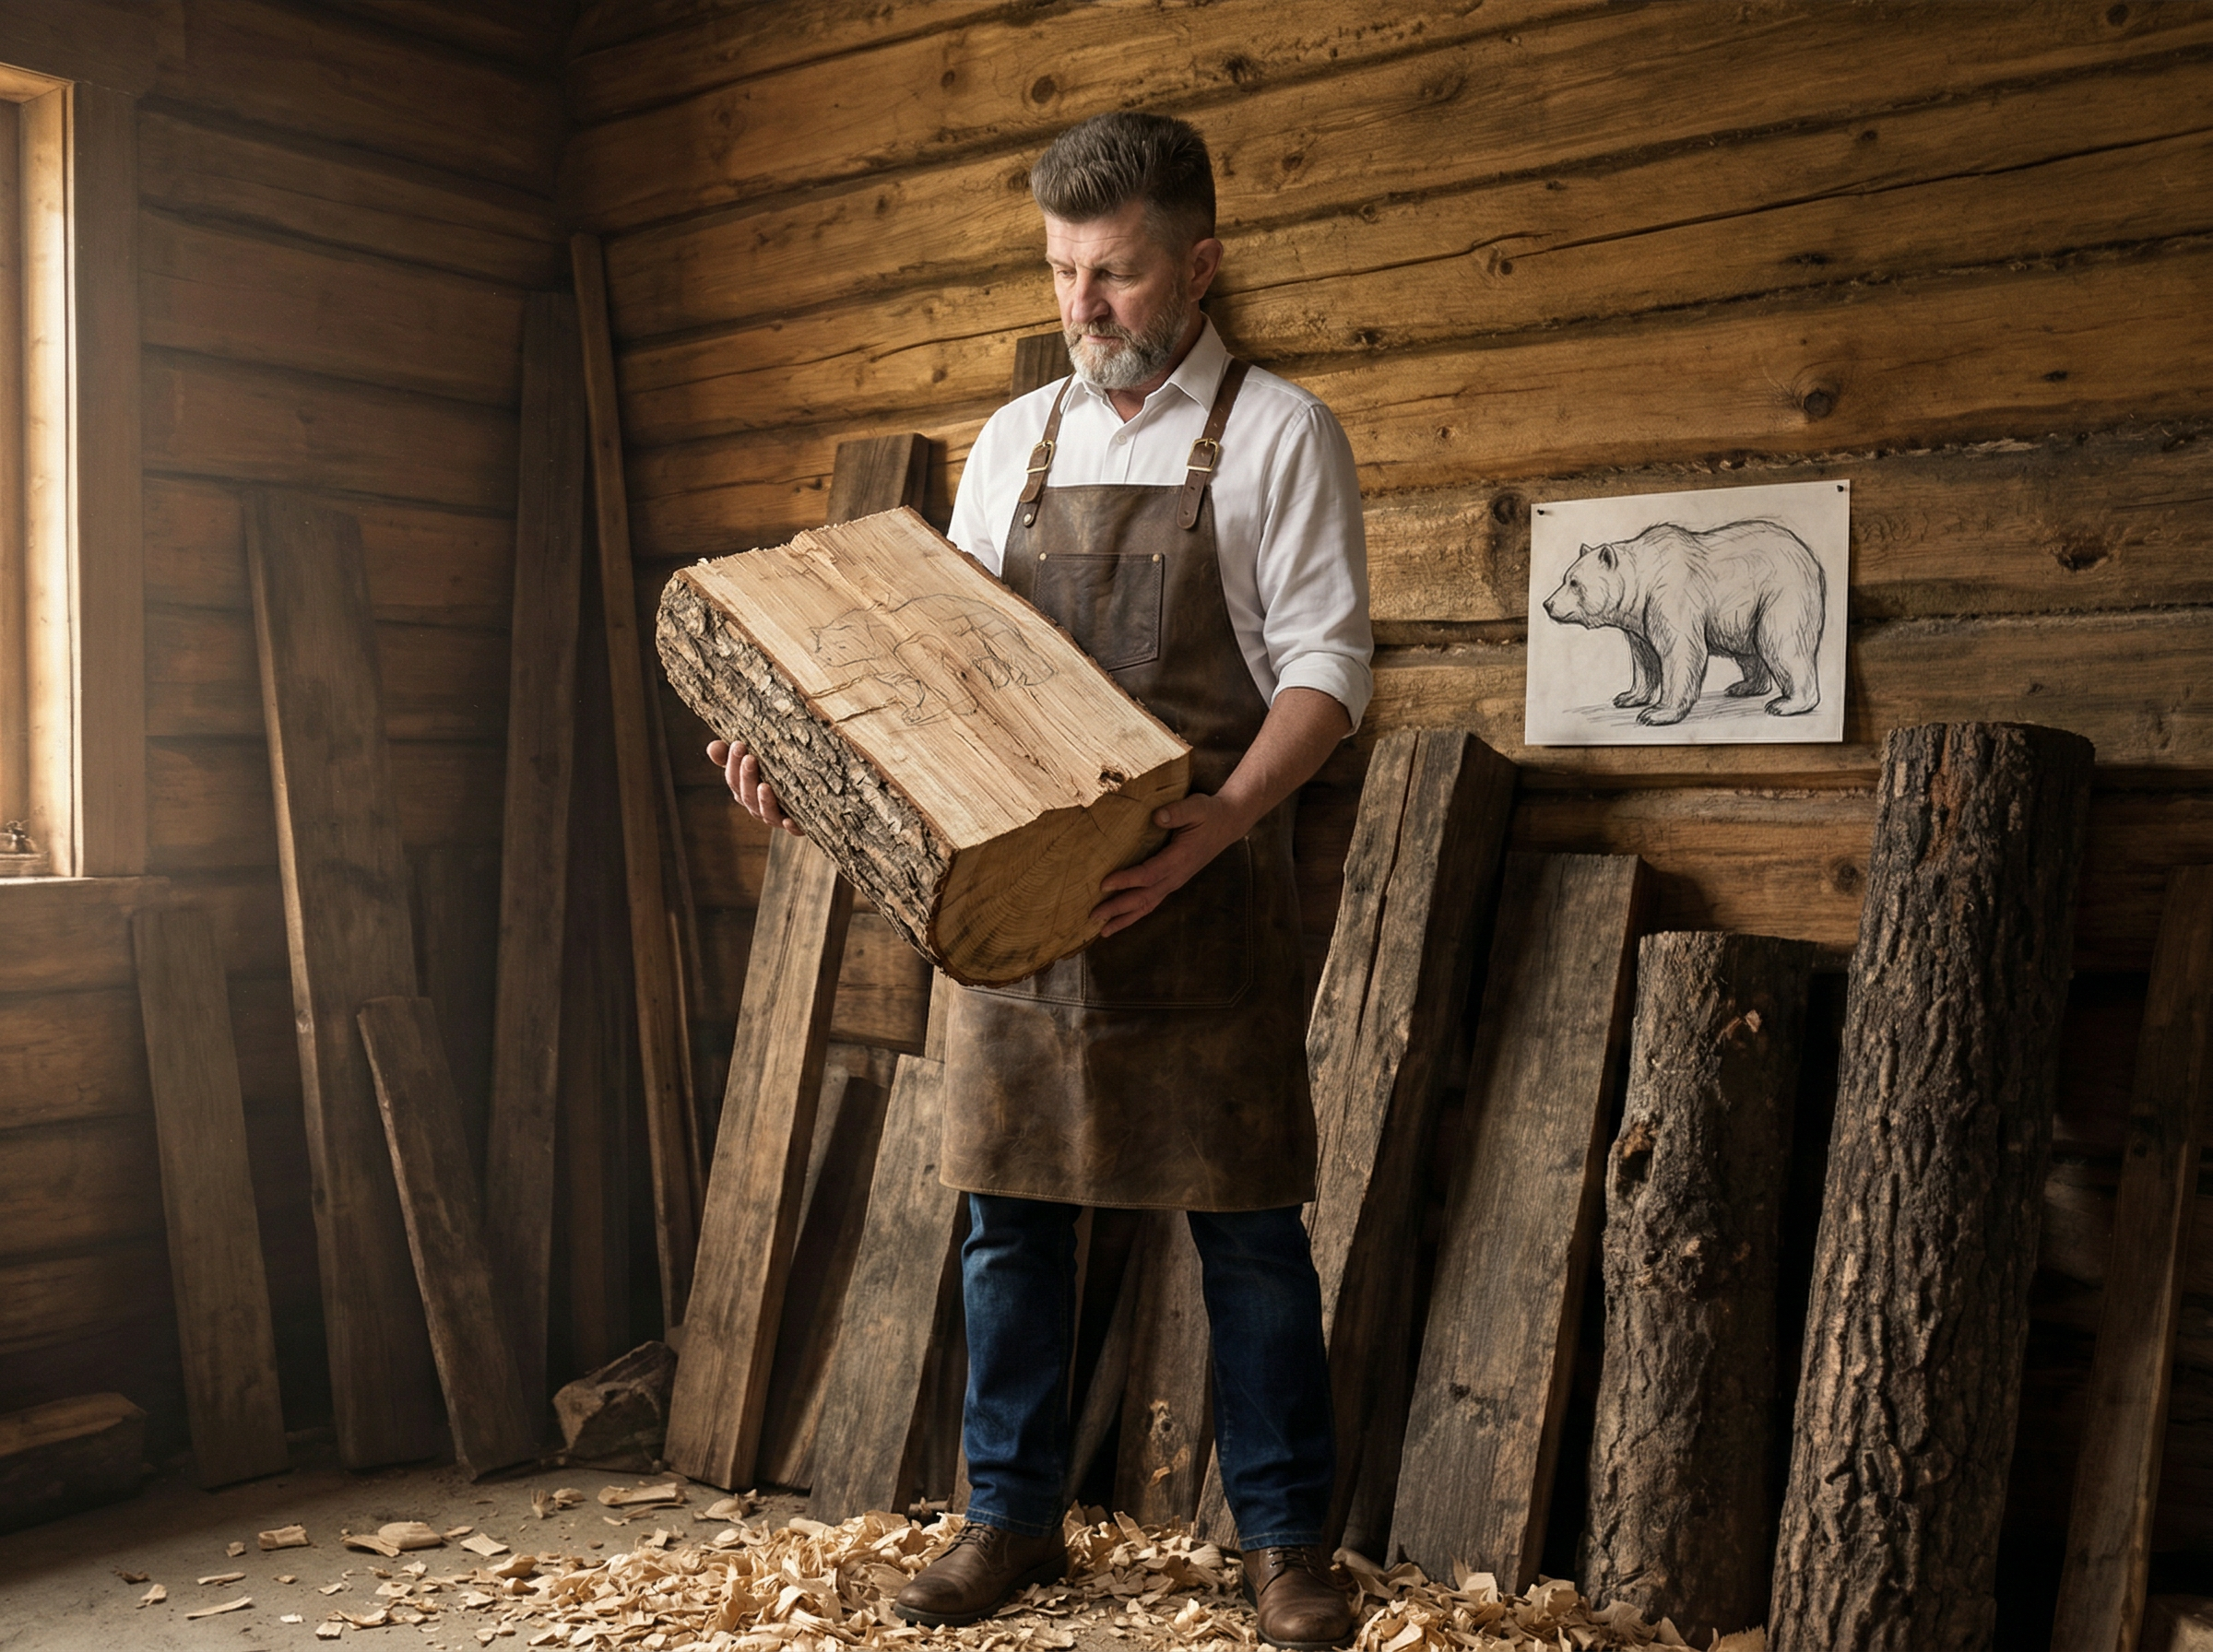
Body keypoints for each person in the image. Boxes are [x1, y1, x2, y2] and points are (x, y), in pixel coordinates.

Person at [709, 112, 1372, 1650]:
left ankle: (1286, 1550)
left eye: (1120, 276)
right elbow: (942, 689)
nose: (1086, 307)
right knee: (1010, 1222)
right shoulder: (1018, 446)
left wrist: (1216, 828)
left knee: (1251, 1236)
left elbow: (1329, 678)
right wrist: (811, 783)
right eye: (1067, 273)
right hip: (1023, 910)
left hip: (1203, 908)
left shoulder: (1283, 434)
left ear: (1198, 265)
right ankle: (1007, 1522)